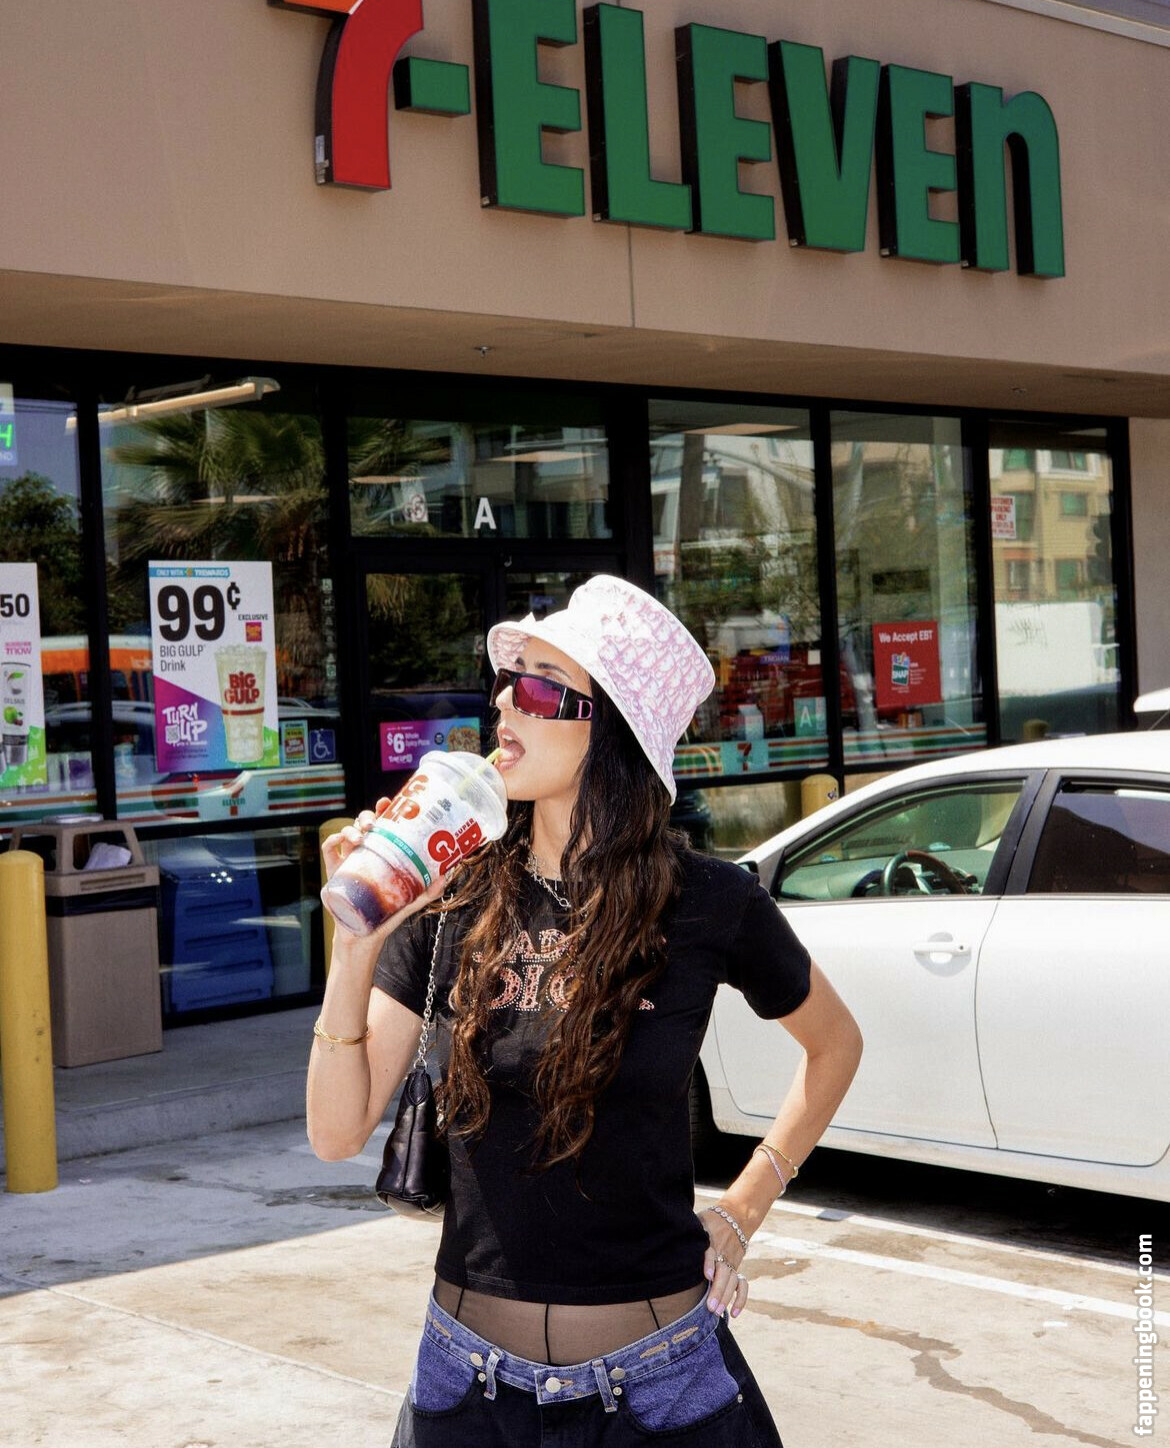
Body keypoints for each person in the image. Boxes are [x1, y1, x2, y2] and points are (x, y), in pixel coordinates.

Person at [308, 574, 864, 1447]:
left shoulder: (708, 901)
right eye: (507, 681)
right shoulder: (451, 891)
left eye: (541, 688)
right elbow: (336, 1132)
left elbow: (835, 1044)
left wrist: (745, 1205)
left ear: (613, 730)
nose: (505, 702)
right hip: (465, 1387)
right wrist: (357, 944)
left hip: (658, 1387)